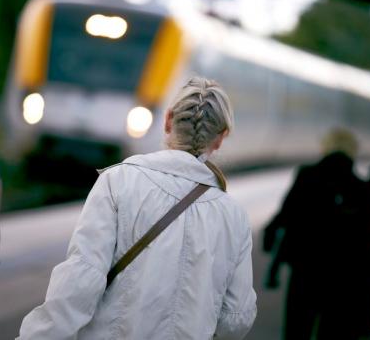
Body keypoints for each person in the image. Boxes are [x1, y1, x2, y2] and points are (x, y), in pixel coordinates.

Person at [17, 77, 257, 339]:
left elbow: (79, 281)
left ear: (168, 121)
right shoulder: (233, 215)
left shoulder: (118, 181)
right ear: (221, 138)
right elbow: (236, 318)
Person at [262, 127, 370, 340]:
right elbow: (367, 241)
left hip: (305, 270)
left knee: (296, 331)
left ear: (326, 147)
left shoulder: (307, 174)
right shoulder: (362, 187)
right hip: (342, 277)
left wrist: (271, 237)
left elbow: (287, 213)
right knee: (332, 332)